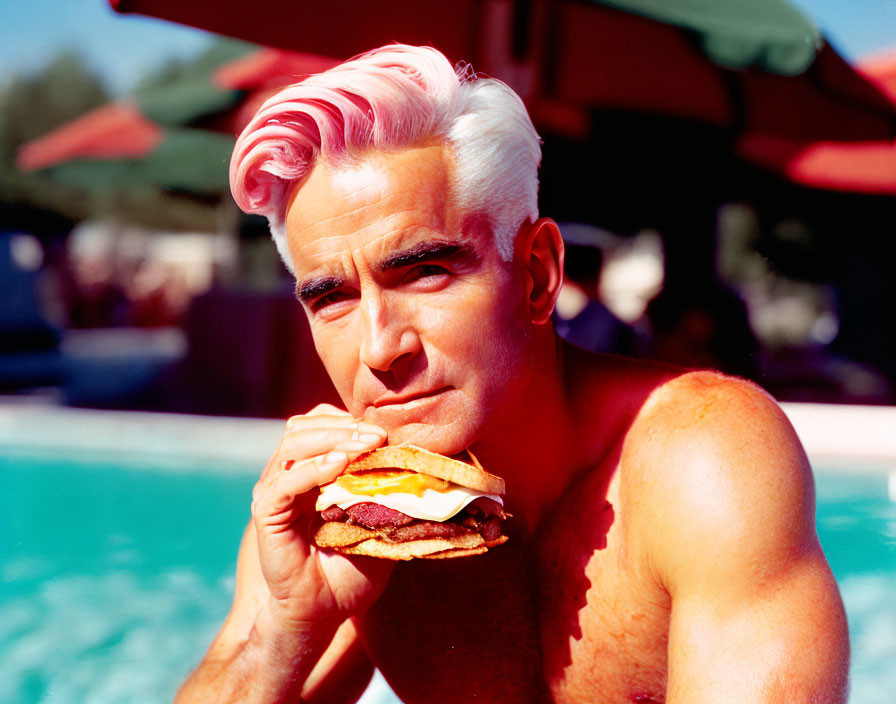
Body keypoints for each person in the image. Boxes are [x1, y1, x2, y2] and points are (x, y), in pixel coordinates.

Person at [176, 45, 848, 703]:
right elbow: (259, 654)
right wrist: (284, 631)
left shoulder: (702, 460)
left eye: (426, 271)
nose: (380, 350)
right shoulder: (334, 500)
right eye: (332, 298)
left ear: (534, 276)